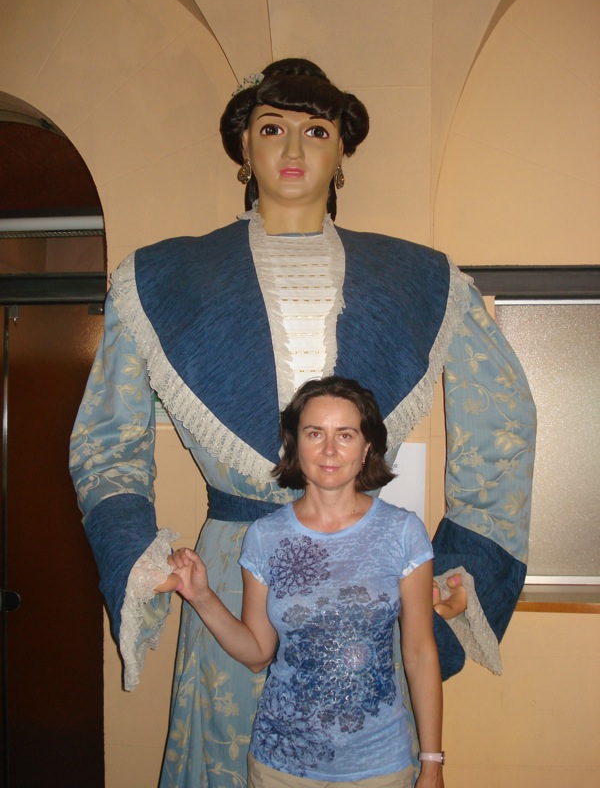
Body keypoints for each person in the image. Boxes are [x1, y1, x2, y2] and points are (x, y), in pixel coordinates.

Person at [69, 58, 536, 788]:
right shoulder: (162, 278)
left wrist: (459, 567)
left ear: (343, 148)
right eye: (271, 129)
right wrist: (137, 553)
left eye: (316, 131)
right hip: (236, 566)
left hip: (366, 567)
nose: (292, 150)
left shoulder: (420, 279)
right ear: (244, 147)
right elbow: (107, 443)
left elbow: (501, 428)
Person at [168, 376, 444, 788]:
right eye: (315, 433)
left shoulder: (402, 532)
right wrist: (202, 596)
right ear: (295, 444)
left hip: (380, 766)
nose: (329, 450)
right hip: (280, 766)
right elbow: (257, 653)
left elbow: (420, 654)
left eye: (345, 435)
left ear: (367, 447)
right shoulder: (265, 536)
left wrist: (432, 761)